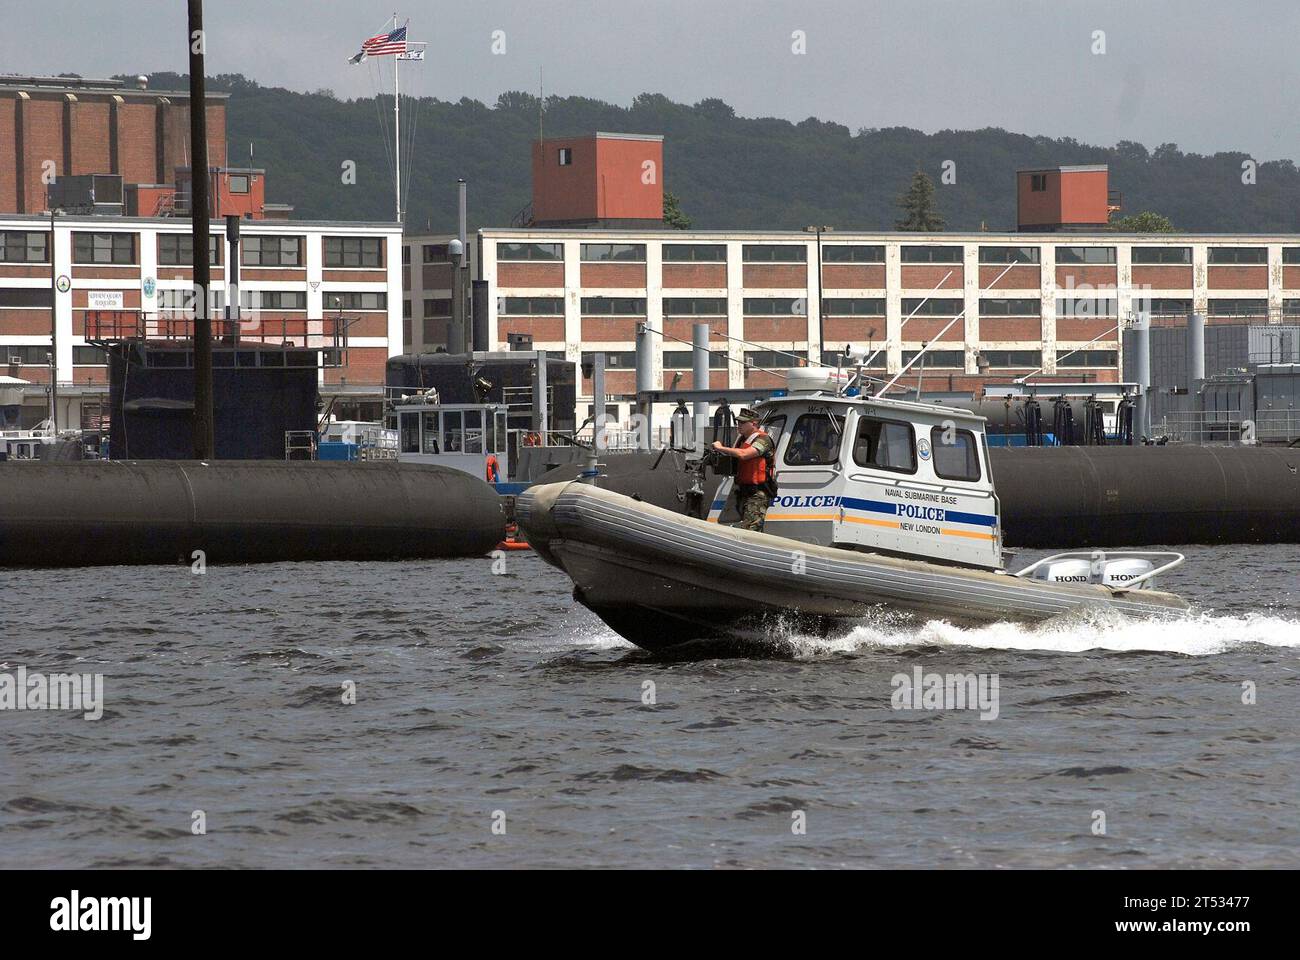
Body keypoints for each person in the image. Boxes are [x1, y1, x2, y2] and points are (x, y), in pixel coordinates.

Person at [712, 408, 776, 531]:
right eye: (738, 422)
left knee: (751, 529)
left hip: (757, 493)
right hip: (743, 491)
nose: (739, 425)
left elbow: (744, 454)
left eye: (743, 422)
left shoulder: (763, 440)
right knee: (741, 527)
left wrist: (721, 448)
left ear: (754, 423)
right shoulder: (742, 440)